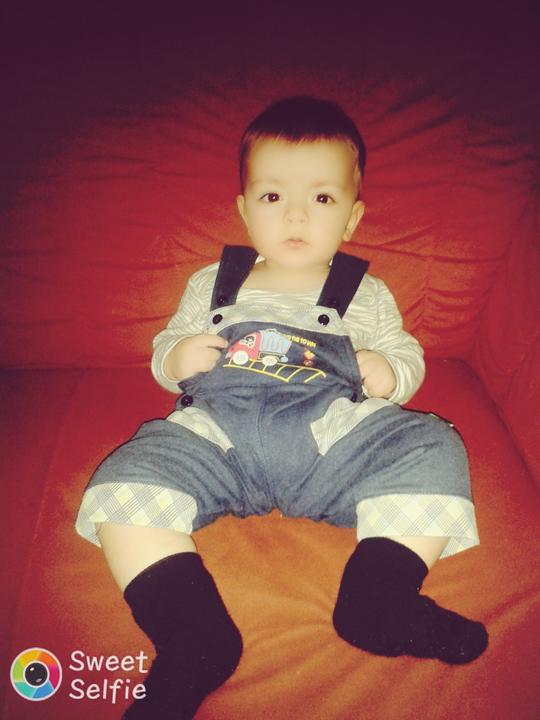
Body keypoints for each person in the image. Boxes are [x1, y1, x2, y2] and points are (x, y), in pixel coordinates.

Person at [76, 96, 488, 719]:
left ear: (352, 217)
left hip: (331, 438)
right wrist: (177, 356)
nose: (296, 213)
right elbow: (168, 344)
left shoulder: (366, 291)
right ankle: (193, 636)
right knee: (123, 478)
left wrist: (390, 373)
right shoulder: (212, 282)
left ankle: (379, 598)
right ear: (245, 209)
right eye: (273, 196)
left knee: (433, 443)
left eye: (321, 197)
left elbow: (404, 352)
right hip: (219, 438)